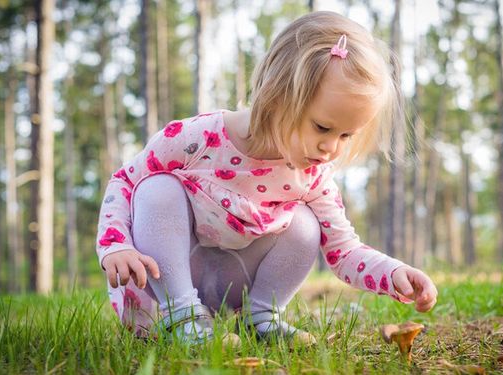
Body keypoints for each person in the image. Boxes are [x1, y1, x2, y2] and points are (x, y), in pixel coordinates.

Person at [96, 11, 438, 347]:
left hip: (230, 284)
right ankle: (182, 317)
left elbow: (343, 250)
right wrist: (115, 245)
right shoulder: (195, 139)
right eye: (322, 127)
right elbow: (125, 181)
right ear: (277, 96)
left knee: (306, 223)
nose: (330, 147)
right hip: (165, 278)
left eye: (346, 135)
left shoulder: (312, 176)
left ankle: (259, 318)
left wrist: (392, 274)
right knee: (157, 189)